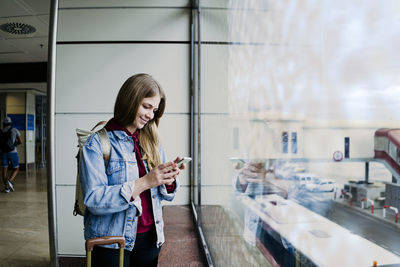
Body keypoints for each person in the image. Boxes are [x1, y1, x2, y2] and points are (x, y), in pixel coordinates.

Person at [80, 73, 186, 267]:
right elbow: (93, 200)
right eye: (146, 106)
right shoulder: (97, 143)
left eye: (154, 110)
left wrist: (168, 180)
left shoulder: (152, 141)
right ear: (130, 100)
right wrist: (145, 182)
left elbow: (163, 194)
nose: (150, 115)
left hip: (150, 239)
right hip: (111, 243)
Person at [1, 116, 22, 193]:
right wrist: (14, 144)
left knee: (4, 170)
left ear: (3, 123)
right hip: (13, 152)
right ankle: (10, 180)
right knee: (16, 168)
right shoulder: (14, 130)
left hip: (4, 153)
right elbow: (20, 141)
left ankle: (6, 188)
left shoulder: (1, 131)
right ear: (10, 123)